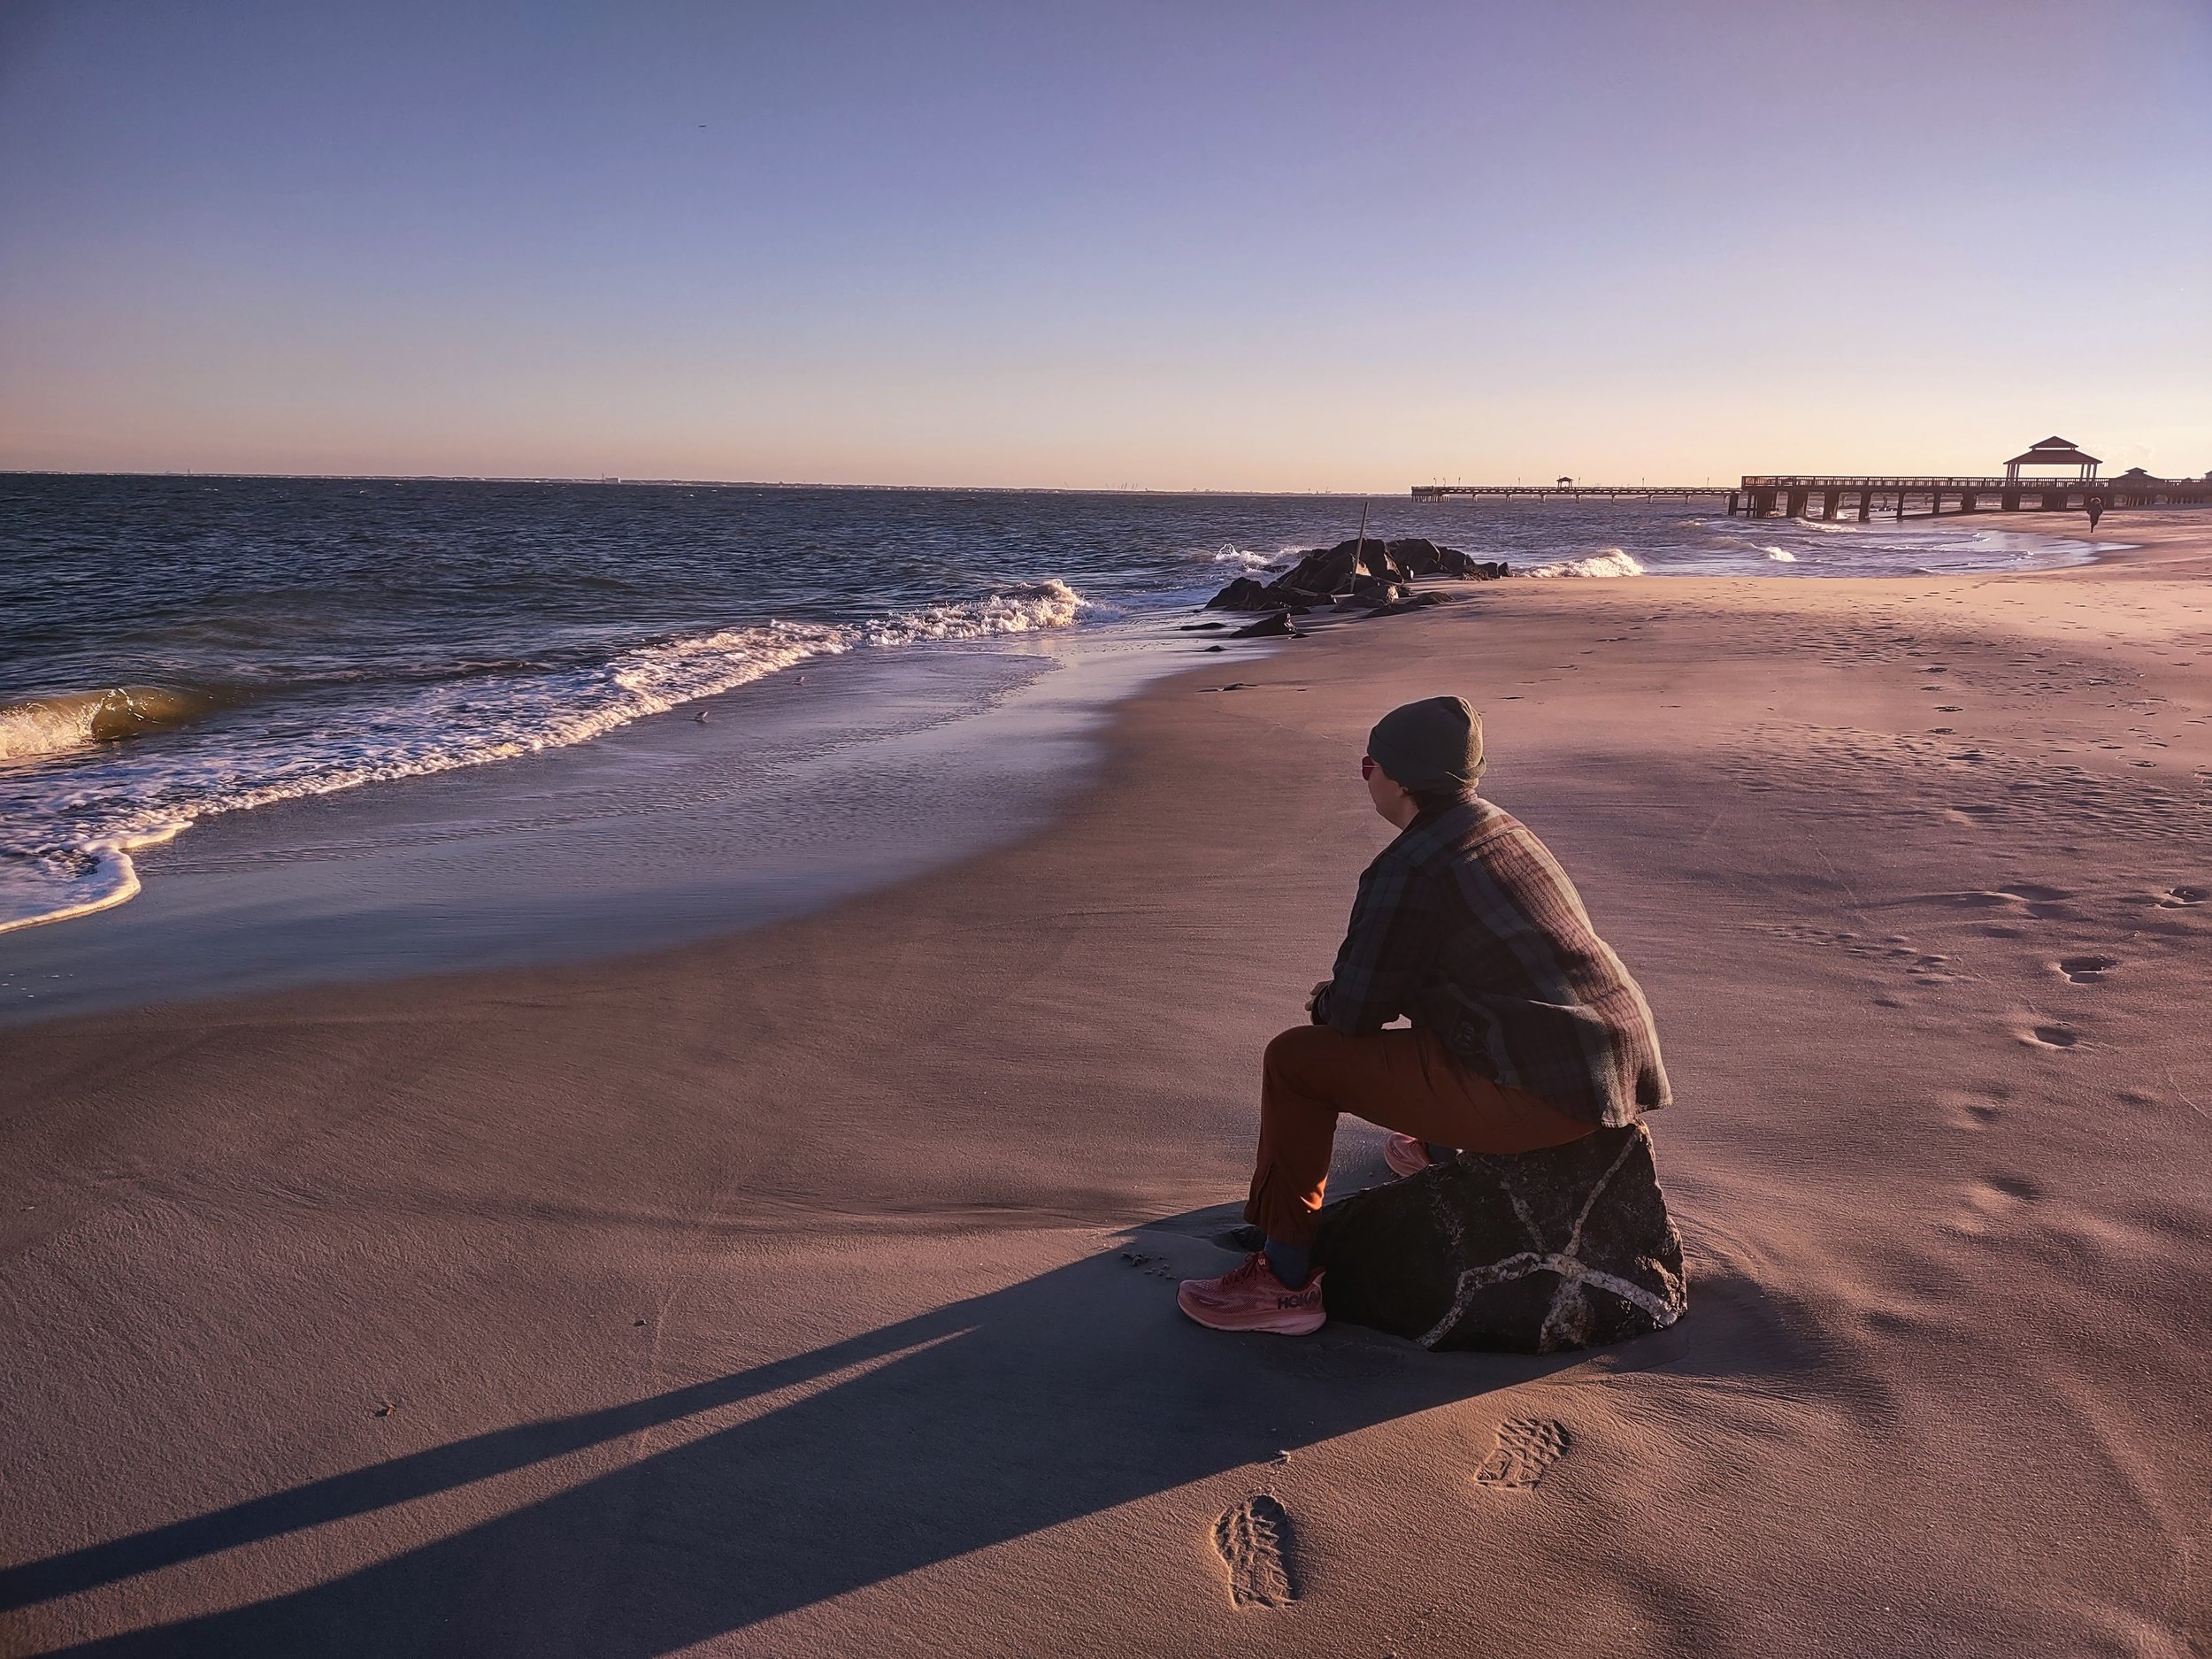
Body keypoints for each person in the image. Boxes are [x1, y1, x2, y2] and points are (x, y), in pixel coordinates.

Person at [1177, 695, 1670, 1336]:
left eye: (1369, 764)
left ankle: (1284, 1280)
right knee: (1458, 992)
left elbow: (1353, 1014)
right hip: (1616, 1068)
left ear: (1397, 778)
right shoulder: (1503, 829)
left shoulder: (1410, 866)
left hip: (1542, 1095)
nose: (1365, 774)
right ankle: (1440, 1147)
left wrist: (1325, 997)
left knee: (1294, 1060)